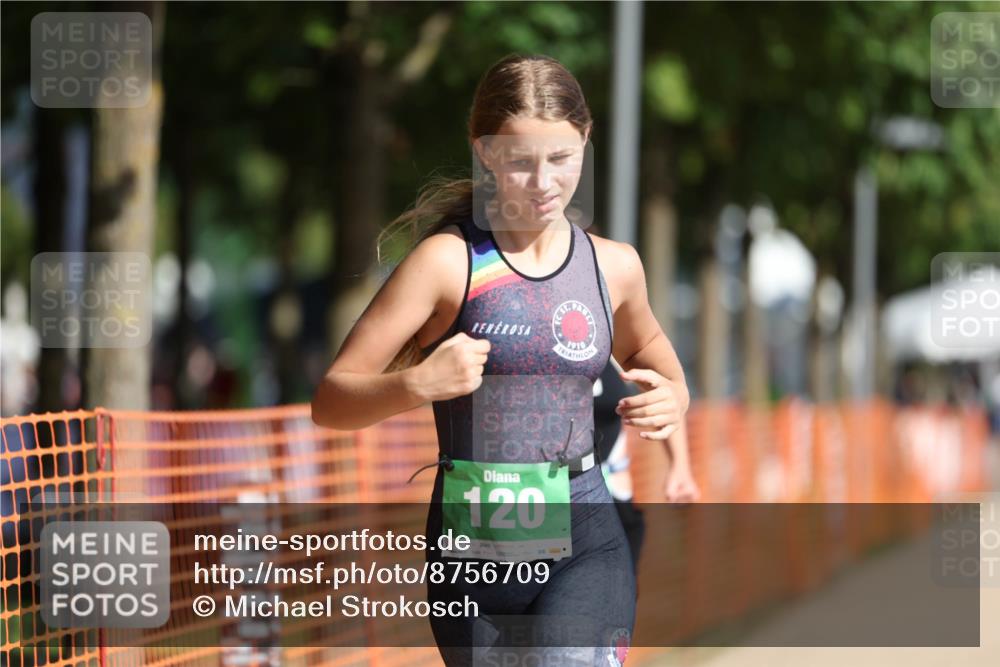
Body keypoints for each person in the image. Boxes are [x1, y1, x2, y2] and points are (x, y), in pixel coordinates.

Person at [312, 53, 692, 667]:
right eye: (520, 162)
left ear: (586, 141)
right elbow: (331, 401)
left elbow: (651, 351)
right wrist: (416, 384)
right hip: (472, 556)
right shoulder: (446, 264)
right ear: (484, 151)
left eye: (562, 159)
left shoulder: (612, 266)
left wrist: (675, 394)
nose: (543, 183)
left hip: (585, 540)